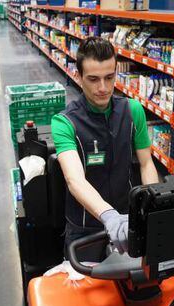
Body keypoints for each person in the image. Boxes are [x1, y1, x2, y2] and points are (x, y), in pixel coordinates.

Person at [51, 37, 159, 258]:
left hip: (128, 219)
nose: (103, 88)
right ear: (78, 76)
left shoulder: (132, 110)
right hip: (85, 227)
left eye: (109, 78)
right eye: (93, 79)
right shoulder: (64, 122)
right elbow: (75, 180)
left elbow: (146, 164)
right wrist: (108, 215)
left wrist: (153, 204)